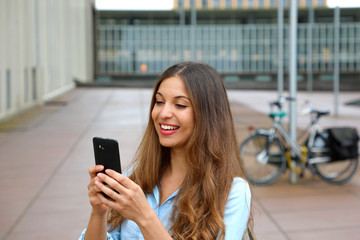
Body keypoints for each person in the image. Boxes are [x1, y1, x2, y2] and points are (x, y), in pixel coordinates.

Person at [79, 61, 253, 240]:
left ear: (209, 115)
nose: (163, 113)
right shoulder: (135, 178)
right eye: (159, 102)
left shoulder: (233, 192)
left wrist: (144, 217)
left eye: (180, 105)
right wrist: (98, 212)